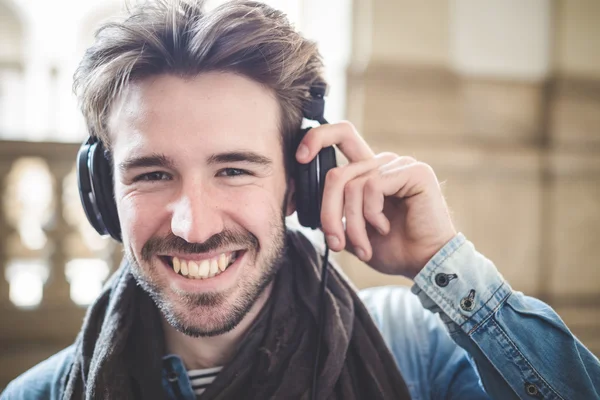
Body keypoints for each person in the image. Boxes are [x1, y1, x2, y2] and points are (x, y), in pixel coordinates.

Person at [2, 1, 599, 399]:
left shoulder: (415, 350)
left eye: (234, 169)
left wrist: (443, 262)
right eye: (152, 174)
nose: (193, 224)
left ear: (300, 184)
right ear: (103, 194)